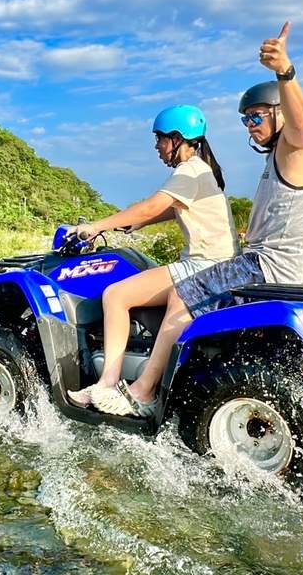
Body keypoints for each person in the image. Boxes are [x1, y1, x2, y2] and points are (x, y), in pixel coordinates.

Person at [99, 21, 303, 418]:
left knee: (181, 296)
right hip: (278, 263)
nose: (251, 126)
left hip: (267, 268)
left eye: (257, 117)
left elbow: (300, 122)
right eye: (246, 120)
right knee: (183, 291)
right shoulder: (274, 158)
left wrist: (285, 71)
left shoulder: (296, 148)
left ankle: (141, 391)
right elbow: (167, 211)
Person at [66, 105, 235, 410]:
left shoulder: (188, 171)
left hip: (203, 266)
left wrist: (95, 227)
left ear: (177, 139)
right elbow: (174, 209)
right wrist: (141, 223)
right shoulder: (202, 170)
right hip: (216, 265)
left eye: (159, 139)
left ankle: (107, 384)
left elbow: (150, 205)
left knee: (116, 294)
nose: (157, 146)